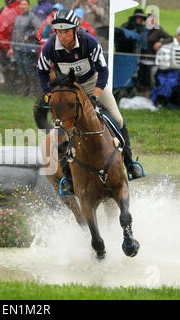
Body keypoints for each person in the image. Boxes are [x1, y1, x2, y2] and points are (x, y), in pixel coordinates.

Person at [37, 9, 143, 194]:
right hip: (69, 89)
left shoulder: (89, 42)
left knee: (117, 119)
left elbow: (103, 71)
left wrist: (94, 95)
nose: (62, 36)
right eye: (59, 32)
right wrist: (48, 93)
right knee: (62, 130)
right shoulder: (50, 48)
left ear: (75, 30)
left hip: (93, 83)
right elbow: (41, 72)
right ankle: (68, 179)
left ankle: (130, 163)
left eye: (66, 31)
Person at [7, 0, 40, 96]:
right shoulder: (17, 18)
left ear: (29, 6)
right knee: (21, 70)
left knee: (28, 69)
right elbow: (14, 33)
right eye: (21, 4)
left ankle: (32, 91)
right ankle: (24, 90)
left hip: (27, 48)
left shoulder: (32, 17)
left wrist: (29, 36)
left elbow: (39, 28)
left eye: (25, 4)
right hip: (17, 48)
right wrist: (11, 47)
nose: (23, 6)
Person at [138, 12, 173, 97]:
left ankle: (149, 96)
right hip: (141, 58)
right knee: (141, 78)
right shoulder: (142, 29)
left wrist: (160, 43)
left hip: (151, 59)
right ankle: (140, 95)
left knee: (149, 79)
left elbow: (170, 38)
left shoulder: (158, 30)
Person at [0, 0, 21, 86]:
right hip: (6, 45)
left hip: (14, 44)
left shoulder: (15, 8)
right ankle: (8, 84)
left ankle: (15, 84)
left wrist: (10, 47)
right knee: (5, 64)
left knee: (15, 65)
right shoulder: (6, 9)